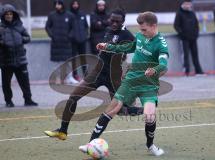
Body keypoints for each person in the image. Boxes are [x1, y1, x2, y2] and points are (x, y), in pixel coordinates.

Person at [44, 9, 144, 141]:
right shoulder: (108, 30)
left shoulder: (126, 34)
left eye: (117, 21)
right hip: (97, 72)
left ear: (123, 21)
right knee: (73, 97)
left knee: (120, 110)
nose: (113, 23)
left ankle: (144, 110)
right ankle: (62, 131)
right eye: (112, 20)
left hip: (113, 77)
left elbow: (140, 48)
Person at [79, 11, 169, 157]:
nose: (141, 32)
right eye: (140, 29)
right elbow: (127, 47)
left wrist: (154, 69)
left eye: (144, 29)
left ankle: (150, 145)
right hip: (131, 80)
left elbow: (164, 65)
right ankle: (90, 144)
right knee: (112, 109)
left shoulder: (161, 44)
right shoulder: (140, 36)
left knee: (149, 115)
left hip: (148, 84)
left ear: (154, 26)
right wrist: (107, 46)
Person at [0, 4, 38, 107]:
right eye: (6, 14)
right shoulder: (1, 29)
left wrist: (21, 39)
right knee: (6, 84)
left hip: (21, 60)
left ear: (14, 15)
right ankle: (8, 101)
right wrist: (2, 42)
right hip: (6, 61)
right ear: (3, 16)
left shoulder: (19, 27)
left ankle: (28, 100)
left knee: (25, 82)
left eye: (10, 14)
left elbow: (28, 38)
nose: (9, 16)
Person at [45, 0, 77, 84]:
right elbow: (47, 27)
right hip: (56, 43)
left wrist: (69, 37)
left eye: (59, 4)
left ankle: (69, 78)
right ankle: (58, 78)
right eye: (55, 4)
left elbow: (73, 28)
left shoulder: (70, 15)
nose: (57, 6)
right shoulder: (52, 15)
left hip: (66, 43)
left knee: (68, 61)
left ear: (62, 5)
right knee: (56, 63)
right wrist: (52, 35)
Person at [174, 0, 204, 76]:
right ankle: (186, 71)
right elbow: (176, 26)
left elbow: (196, 25)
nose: (188, 5)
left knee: (195, 55)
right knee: (185, 55)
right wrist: (182, 34)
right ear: (183, 4)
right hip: (184, 39)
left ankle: (199, 71)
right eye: (186, 4)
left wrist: (196, 34)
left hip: (193, 38)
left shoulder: (192, 13)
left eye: (189, 4)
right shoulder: (179, 13)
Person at [69, 0, 88, 81]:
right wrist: (70, 36)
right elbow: (67, 28)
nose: (75, 5)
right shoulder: (69, 15)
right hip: (73, 41)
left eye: (77, 4)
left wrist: (85, 35)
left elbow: (86, 26)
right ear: (71, 5)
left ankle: (85, 74)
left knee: (83, 57)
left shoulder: (82, 14)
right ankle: (75, 75)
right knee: (74, 58)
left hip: (82, 40)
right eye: (74, 4)